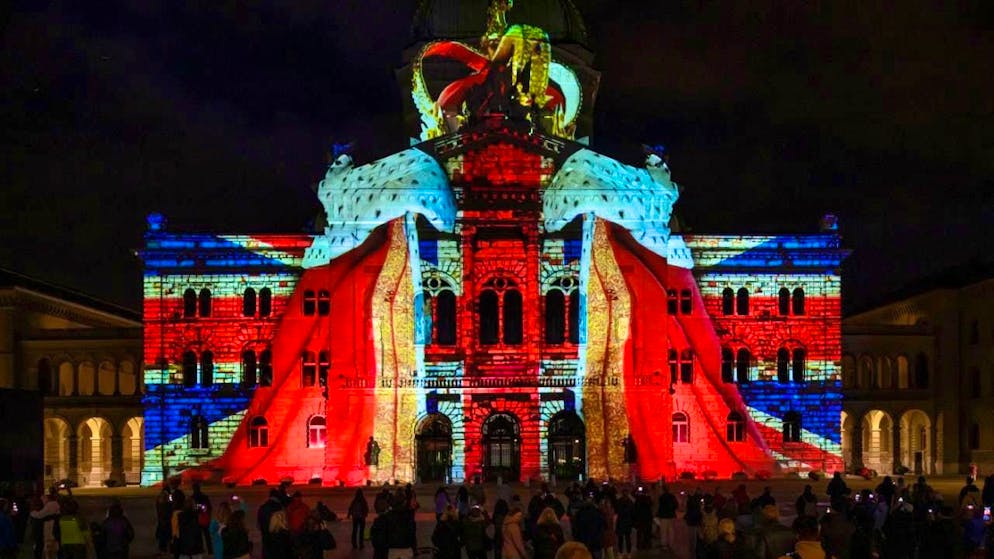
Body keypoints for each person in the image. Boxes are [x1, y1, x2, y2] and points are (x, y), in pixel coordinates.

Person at [29, 493, 59, 559]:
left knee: (47, 547)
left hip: (48, 530)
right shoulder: (53, 504)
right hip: (50, 530)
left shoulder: (50, 505)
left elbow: (40, 515)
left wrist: (32, 513)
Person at [257, 490, 283, 559]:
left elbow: (258, 525)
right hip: (277, 540)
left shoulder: (262, 508)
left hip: (266, 538)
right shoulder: (279, 507)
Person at [190, 483, 212, 554]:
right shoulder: (202, 497)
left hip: (200, 519)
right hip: (201, 519)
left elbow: (208, 508)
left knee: (202, 536)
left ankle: (204, 550)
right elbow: (209, 508)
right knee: (204, 535)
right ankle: (208, 550)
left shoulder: (193, 497)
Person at [655, 485, 678, 551]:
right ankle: (671, 544)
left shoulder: (662, 497)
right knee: (671, 531)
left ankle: (664, 545)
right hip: (671, 515)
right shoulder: (672, 496)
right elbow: (676, 505)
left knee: (663, 531)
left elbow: (659, 506)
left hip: (664, 516)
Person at [613, 488, 634, 559]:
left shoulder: (618, 501)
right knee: (628, 539)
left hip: (621, 522)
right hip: (628, 522)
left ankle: (620, 553)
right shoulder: (630, 502)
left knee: (620, 539)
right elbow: (632, 512)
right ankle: (628, 553)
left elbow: (616, 511)